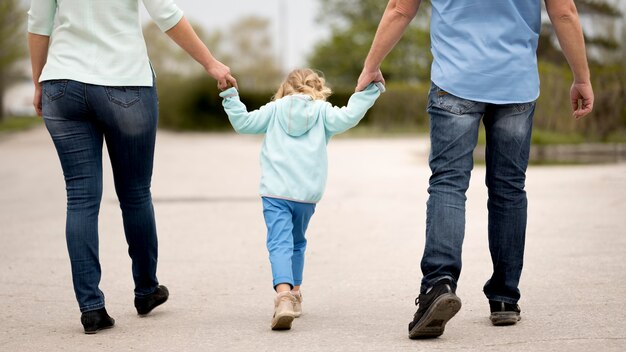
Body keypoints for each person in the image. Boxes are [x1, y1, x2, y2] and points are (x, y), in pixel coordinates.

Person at [356, 0, 594, 339]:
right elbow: (564, 12)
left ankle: (438, 284)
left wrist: (371, 65)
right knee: (509, 189)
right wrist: (581, 78)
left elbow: (399, 8)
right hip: (516, 84)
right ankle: (504, 299)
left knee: (448, 185)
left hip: (455, 80)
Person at [27, 0, 237, 334]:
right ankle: (146, 290)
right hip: (125, 82)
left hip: (62, 84)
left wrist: (39, 82)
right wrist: (210, 64)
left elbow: (39, 25)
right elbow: (166, 14)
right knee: (135, 193)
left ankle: (91, 308)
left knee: (80, 198)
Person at [220, 68, 384, 330]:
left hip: (275, 192)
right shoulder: (322, 112)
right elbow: (349, 115)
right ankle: (294, 293)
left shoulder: (273, 110)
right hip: (306, 196)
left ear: (285, 88)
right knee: (297, 242)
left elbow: (244, 123)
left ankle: (283, 295)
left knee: (279, 243)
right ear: (318, 88)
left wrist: (230, 95)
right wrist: (371, 91)